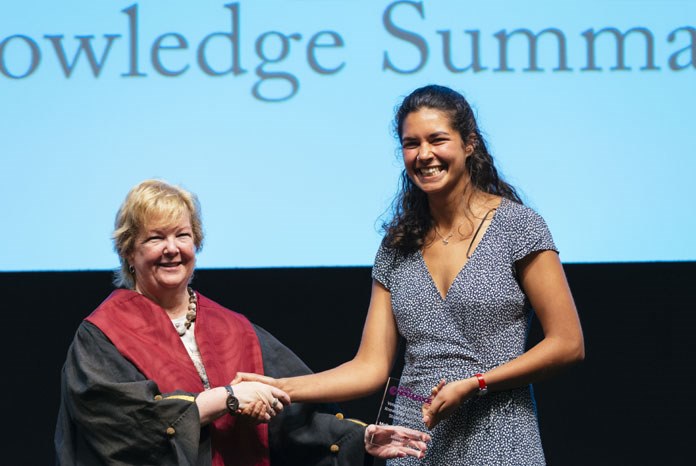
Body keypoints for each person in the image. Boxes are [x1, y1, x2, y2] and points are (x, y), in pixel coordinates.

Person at [235, 84, 585, 465]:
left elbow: (568, 344)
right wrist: (279, 387)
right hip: (414, 442)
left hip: (498, 436)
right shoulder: (397, 244)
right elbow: (369, 367)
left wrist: (475, 384)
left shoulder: (519, 227)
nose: (424, 155)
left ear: (469, 144)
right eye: (411, 143)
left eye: (437, 140)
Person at [54, 179, 430, 466]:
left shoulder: (234, 330)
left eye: (182, 235)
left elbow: (293, 422)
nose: (172, 249)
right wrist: (225, 399)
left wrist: (359, 439)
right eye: (155, 238)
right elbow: (124, 428)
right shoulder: (102, 335)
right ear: (128, 251)